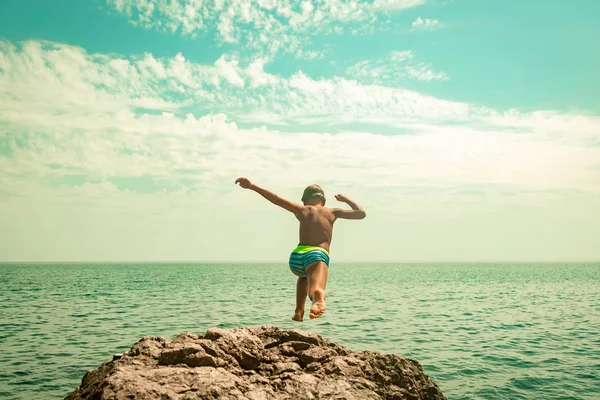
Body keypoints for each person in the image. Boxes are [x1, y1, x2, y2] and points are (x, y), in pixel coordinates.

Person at [235, 177, 366, 321]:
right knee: (316, 287)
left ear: (305, 200)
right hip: (316, 255)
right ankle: (317, 297)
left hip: (297, 257)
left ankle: (299, 310)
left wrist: (252, 186)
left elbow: (276, 199)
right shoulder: (332, 211)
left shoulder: (301, 209)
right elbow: (361, 214)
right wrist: (346, 199)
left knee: (304, 277)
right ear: (324, 201)